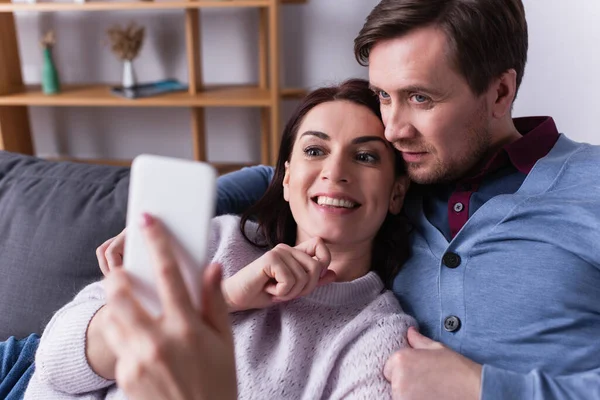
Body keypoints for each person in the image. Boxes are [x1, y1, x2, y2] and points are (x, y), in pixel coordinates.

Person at [214, 1, 600, 399]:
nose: (394, 129)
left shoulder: (592, 186)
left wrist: (485, 388)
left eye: (420, 98)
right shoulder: (405, 178)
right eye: (383, 95)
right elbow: (293, 178)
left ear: (500, 92)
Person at [23, 79, 417, 399]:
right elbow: (56, 364)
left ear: (397, 192)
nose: (335, 172)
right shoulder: (215, 238)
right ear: (287, 179)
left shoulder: (379, 339)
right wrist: (222, 299)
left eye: (365, 157)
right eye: (315, 150)